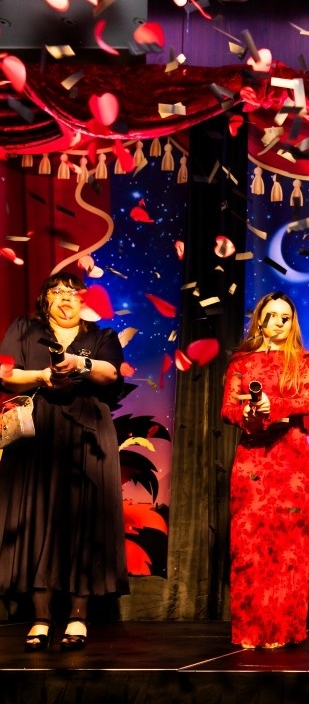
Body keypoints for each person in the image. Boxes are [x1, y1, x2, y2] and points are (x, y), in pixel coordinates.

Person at [0, 271, 127, 651]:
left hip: (88, 436)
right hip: (38, 434)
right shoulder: (24, 329)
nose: (65, 298)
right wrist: (41, 374)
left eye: (73, 292)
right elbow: (5, 373)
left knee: (84, 521)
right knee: (37, 519)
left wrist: (78, 365)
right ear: (45, 300)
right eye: (56, 292)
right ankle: (40, 618)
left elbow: (110, 373)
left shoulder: (101, 336)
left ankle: (77, 616)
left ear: (85, 301)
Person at [221, 292, 309, 649]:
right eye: (272, 315)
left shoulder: (305, 361)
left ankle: (283, 628)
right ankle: (248, 629)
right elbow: (229, 407)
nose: (279, 322)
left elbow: (304, 401)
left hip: (290, 458)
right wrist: (247, 414)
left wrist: (270, 405)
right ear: (259, 319)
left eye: (285, 317)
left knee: (287, 546)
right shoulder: (242, 362)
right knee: (248, 545)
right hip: (252, 460)